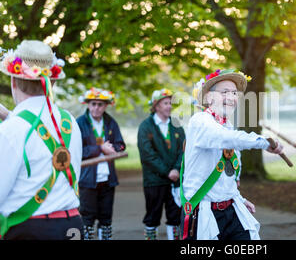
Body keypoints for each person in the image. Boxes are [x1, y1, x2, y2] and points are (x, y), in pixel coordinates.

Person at [180, 69, 284, 240]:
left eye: (234, 93)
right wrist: (263, 142)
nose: (231, 97)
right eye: (225, 92)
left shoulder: (227, 126)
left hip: (231, 210)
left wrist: (239, 198)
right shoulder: (200, 121)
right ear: (208, 98)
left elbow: (227, 177)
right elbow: (225, 139)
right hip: (204, 213)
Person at [0, 40, 83, 240]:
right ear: (51, 82)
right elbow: (37, 131)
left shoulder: (12, 130)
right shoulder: (69, 121)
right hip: (73, 226)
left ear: (13, 81)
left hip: (30, 231)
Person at [76, 88, 126, 240]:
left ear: (106, 106)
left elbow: (121, 145)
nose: (96, 108)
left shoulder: (111, 122)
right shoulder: (79, 123)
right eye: (93, 104)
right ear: (88, 104)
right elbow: (76, 151)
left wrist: (114, 149)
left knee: (106, 218)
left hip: (107, 180)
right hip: (87, 181)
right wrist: (99, 148)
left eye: (100, 104)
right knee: (87, 218)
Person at [137, 88, 185, 240]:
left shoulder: (177, 125)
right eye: (165, 103)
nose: (169, 106)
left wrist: (177, 169)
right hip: (154, 181)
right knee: (152, 216)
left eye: (170, 103)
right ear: (156, 106)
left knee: (175, 216)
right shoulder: (146, 126)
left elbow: (183, 150)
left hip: (175, 181)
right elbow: (147, 155)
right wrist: (167, 172)